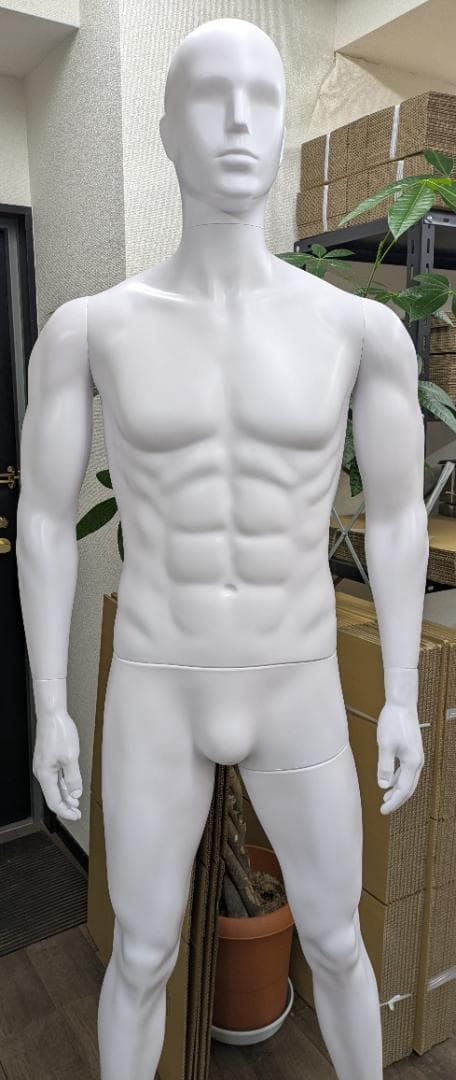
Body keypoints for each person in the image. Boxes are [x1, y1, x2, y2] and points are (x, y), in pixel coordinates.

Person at [16, 17, 429, 1080]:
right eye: (210, 97)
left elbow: (396, 516)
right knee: (141, 955)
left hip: (296, 676)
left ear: (283, 123)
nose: (240, 121)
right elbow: (47, 519)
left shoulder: (358, 333)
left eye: (262, 98)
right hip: (159, 677)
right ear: (167, 130)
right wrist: (51, 705)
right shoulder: (91, 330)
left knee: (338, 944)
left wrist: (400, 696)